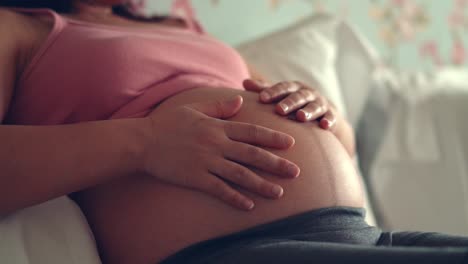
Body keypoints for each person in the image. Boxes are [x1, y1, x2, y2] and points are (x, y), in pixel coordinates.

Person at [0, 1, 467, 263]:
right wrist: (145, 142)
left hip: (360, 236)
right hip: (233, 251)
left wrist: (324, 113)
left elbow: (333, 141)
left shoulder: (182, 27)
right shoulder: (21, 28)